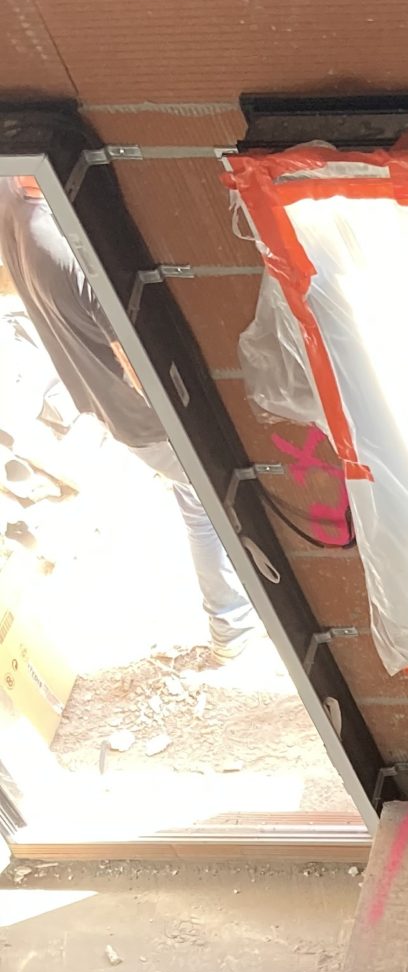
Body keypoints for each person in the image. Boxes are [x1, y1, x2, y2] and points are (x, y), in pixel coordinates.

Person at [0, 177, 260, 658]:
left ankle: (231, 631)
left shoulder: (10, 199)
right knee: (213, 506)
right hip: (148, 420)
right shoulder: (71, 247)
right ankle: (233, 630)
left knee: (196, 503)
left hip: (111, 410)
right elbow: (138, 364)